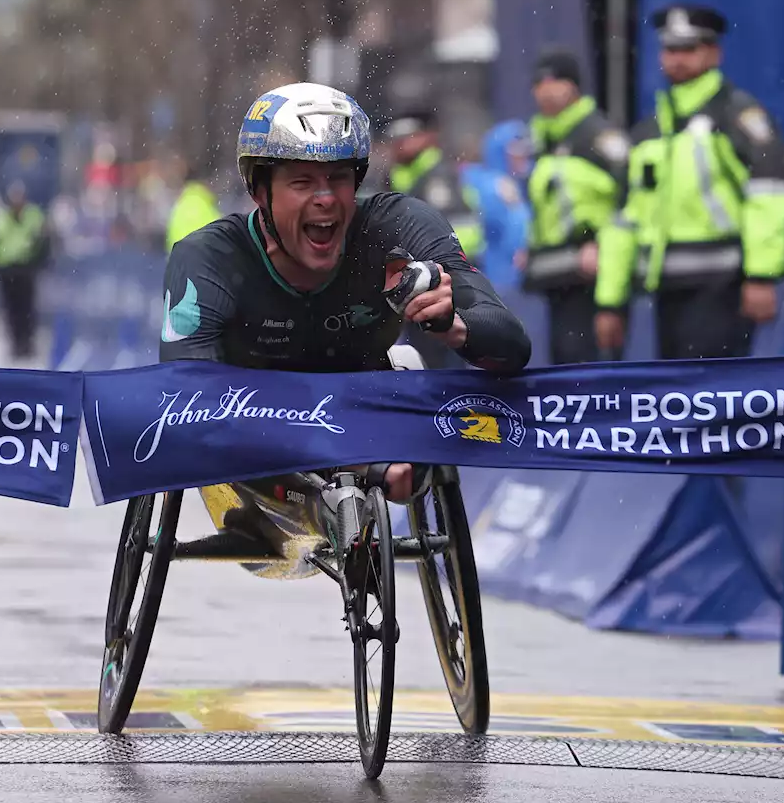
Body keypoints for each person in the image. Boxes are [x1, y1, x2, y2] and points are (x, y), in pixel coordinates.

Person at [160, 82, 531, 503]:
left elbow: (513, 346)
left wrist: (454, 325)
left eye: (338, 178)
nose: (324, 199)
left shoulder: (401, 225)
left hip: (364, 412)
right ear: (259, 191)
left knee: (415, 378)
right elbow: (186, 400)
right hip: (251, 437)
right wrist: (350, 461)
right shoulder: (209, 257)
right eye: (301, 181)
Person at [595, 4, 784, 361]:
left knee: (716, 401)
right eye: (671, 49)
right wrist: (611, 301)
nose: (678, 58)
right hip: (666, 292)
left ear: (714, 52)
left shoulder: (737, 116)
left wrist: (762, 276)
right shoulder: (650, 131)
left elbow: (770, 198)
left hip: (724, 288)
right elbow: (624, 221)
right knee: (678, 402)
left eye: (690, 48)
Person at [525, 47, 631, 363]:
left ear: (573, 86)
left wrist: (602, 250)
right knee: (566, 369)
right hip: (560, 275)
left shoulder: (598, 136)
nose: (544, 91)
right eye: (538, 84)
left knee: (593, 374)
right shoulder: (544, 140)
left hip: (596, 276)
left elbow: (628, 207)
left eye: (554, 81)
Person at [383, 107, 487, 369]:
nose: (401, 143)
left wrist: (426, 268)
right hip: (406, 291)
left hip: (443, 287)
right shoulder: (395, 179)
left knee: (443, 372)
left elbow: (467, 236)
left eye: (409, 135)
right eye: (395, 137)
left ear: (428, 137)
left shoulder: (439, 178)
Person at [460, 120, 533, 292]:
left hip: (515, 278)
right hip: (495, 277)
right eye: (516, 149)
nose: (524, 155)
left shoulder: (518, 182)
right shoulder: (491, 184)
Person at [0, 181, 49, 361]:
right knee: (11, 309)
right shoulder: (0, 217)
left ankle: (26, 343)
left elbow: (42, 242)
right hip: (7, 271)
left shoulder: (33, 216)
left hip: (25, 270)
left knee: (27, 308)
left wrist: (37, 263)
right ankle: (15, 343)